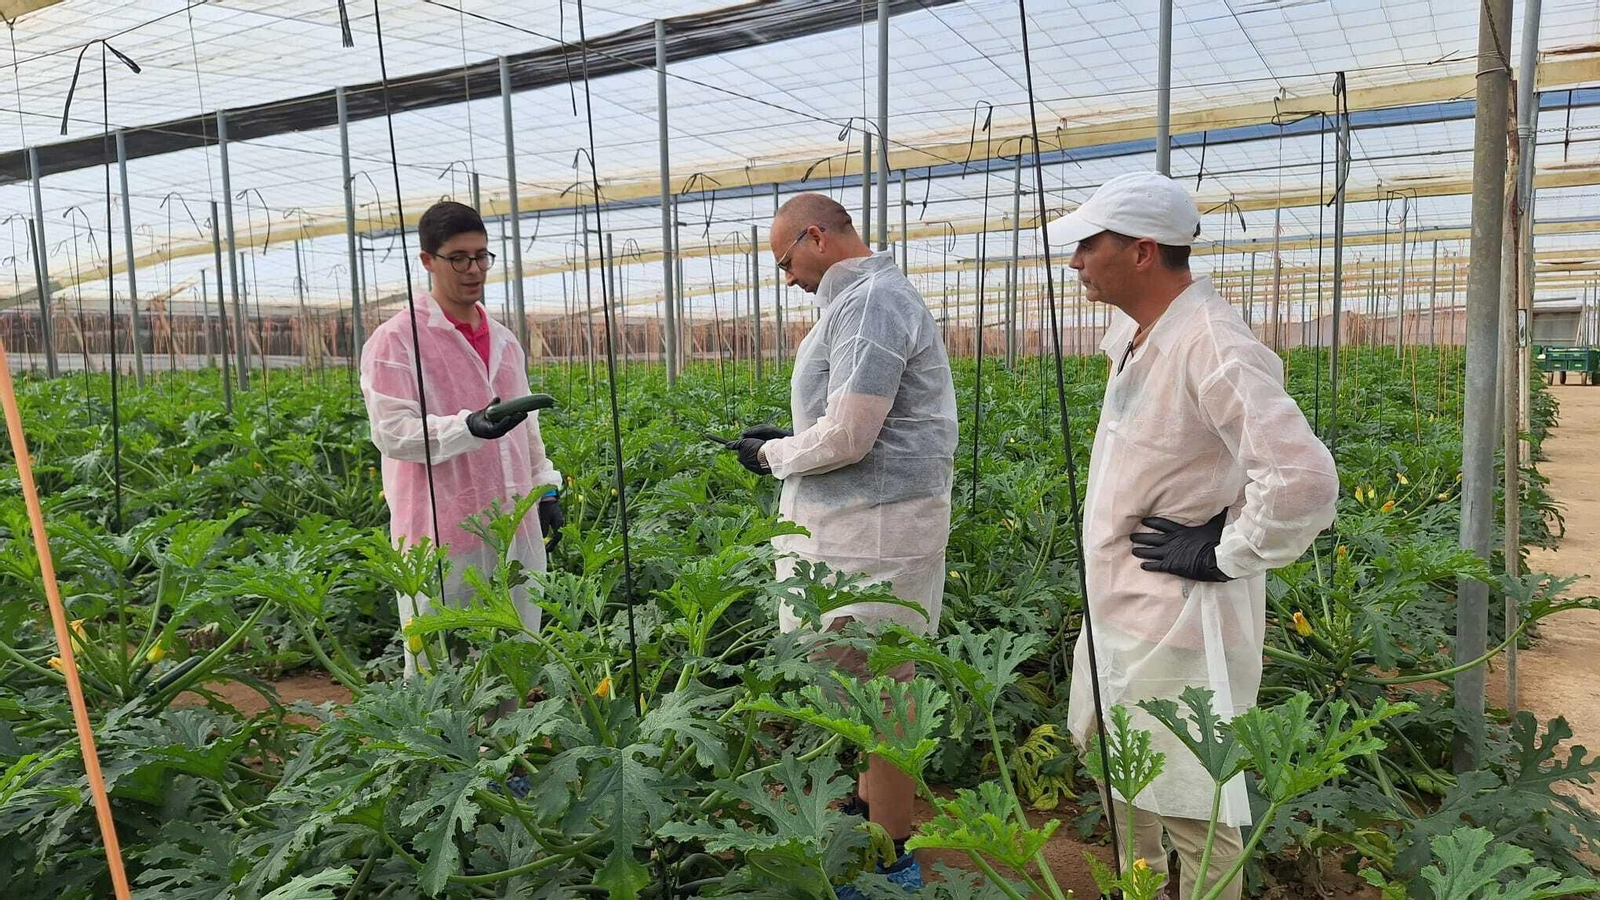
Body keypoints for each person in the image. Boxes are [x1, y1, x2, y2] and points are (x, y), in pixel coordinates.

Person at [1046, 172, 1338, 900]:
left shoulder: (1211, 342)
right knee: (1129, 781)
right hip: (1123, 603)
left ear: (1142, 251)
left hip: (1176, 613)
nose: (1075, 262)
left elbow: (1302, 478)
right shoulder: (1143, 336)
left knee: (1192, 802)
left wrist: (1223, 551)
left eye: (1088, 245)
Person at [733, 193, 957, 891]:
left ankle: (892, 855)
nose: (786, 276)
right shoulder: (860, 301)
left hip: (878, 528)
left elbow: (851, 436)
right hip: (869, 523)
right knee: (866, 683)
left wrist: (770, 456)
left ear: (815, 237)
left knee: (882, 689)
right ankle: (870, 806)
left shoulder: (872, 303)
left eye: (785, 260)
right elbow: (843, 420)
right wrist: (788, 440)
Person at [360, 201, 563, 678]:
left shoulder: (505, 340)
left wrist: (546, 488)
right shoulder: (397, 340)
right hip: (444, 527)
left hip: (514, 519)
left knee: (514, 656)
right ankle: (441, 752)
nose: (474, 270)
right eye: (458, 258)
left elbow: (526, 427)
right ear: (428, 259)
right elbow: (392, 432)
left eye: (481, 256)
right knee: (440, 664)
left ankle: (510, 749)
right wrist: (466, 427)